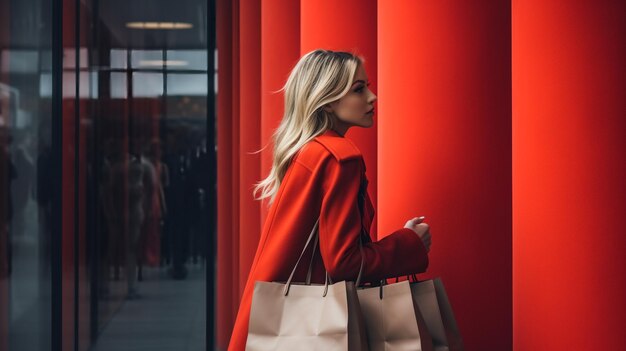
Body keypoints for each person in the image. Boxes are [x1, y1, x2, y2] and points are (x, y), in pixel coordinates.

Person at [228, 49, 432, 350]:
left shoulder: (310, 152)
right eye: (359, 89)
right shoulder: (340, 158)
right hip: (314, 328)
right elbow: (344, 263)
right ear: (326, 98)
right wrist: (408, 243)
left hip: (276, 320)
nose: (373, 98)